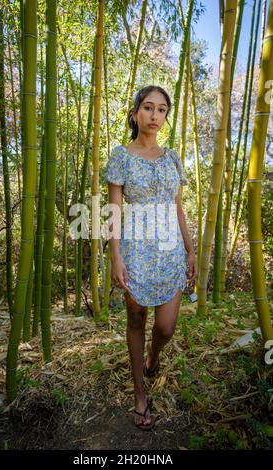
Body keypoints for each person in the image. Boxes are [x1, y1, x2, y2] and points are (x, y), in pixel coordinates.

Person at [104, 85, 197, 431]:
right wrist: (115, 257)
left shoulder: (172, 157)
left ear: (165, 116)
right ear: (134, 113)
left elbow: (177, 207)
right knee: (136, 320)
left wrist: (190, 249)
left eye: (161, 110)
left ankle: (153, 359)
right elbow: (114, 210)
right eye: (147, 108)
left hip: (170, 249)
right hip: (136, 249)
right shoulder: (121, 156)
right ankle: (140, 394)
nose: (154, 115)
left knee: (166, 327)